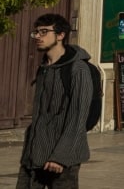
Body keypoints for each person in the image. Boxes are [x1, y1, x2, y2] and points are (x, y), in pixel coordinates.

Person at [19, 13, 91, 189]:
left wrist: (61, 156)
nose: (37, 36)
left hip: (61, 158)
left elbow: (78, 117)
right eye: (36, 32)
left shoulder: (78, 69)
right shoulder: (44, 68)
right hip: (34, 153)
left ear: (60, 35)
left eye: (44, 32)